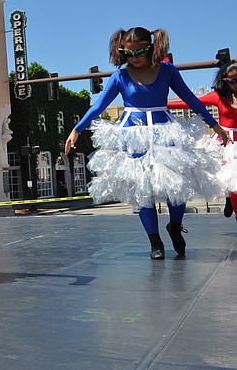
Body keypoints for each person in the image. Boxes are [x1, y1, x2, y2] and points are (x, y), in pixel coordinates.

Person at [65, 27, 228, 259]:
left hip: (165, 132)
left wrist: (215, 125)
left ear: (151, 47)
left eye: (139, 52)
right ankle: (155, 241)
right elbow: (98, 106)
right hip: (133, 135)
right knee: (143, 189)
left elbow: (191, 99)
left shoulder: (167, 71)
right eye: (128, 53)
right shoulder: (120, 76)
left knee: (176, 184)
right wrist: (77, 129)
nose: (134, 57)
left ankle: (174, 226)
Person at [166, 60, 237, 220]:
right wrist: (158, 104)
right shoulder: (218, 97)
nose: (236, 84)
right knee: (232, 182)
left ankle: (230, 199)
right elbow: (190, 103)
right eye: (232, 81)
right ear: (224, 81)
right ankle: (230, 199)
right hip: (226, 142)